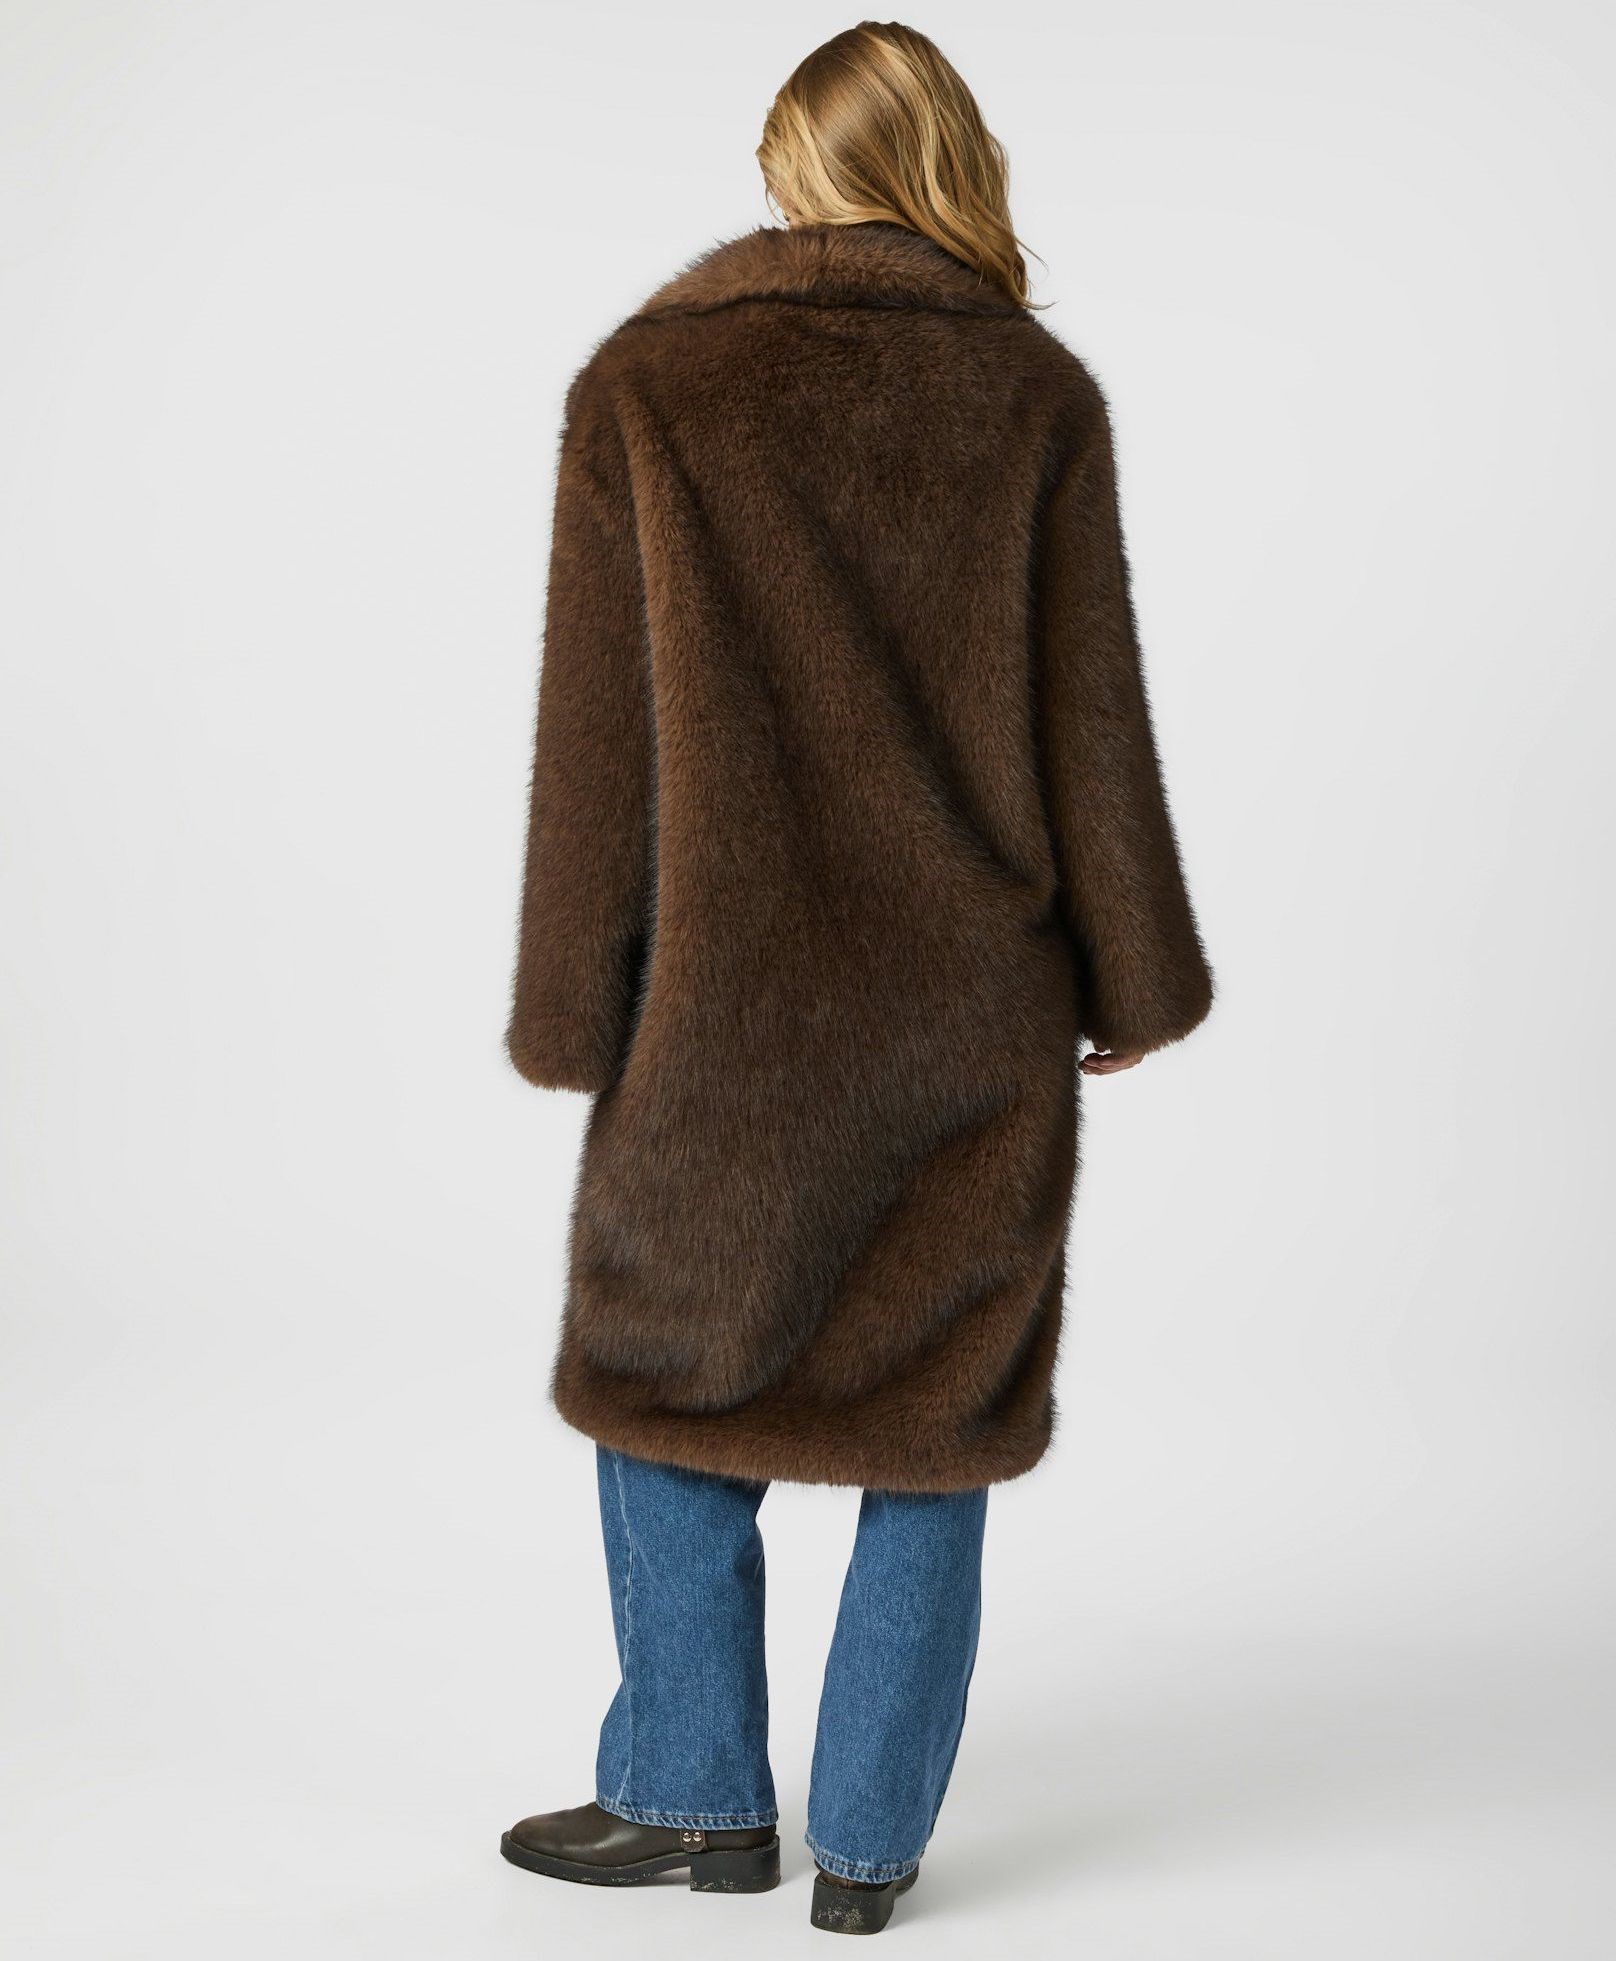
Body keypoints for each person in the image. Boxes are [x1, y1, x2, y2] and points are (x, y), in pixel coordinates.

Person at [500, 19, 1211, 1936]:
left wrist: (572, 1003)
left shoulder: (651, 387)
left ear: (796, 165)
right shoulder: (1036, 397)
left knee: (661, 1382)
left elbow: (599, 746)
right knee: (936, 1411)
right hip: (971, 1004)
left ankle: (692, 1798)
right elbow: (1091, 715)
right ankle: (873, 1854)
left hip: (720, 1010)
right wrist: (1133, 972)